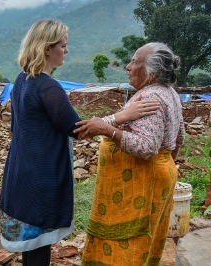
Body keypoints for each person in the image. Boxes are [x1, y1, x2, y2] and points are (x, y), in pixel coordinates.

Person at [0, 19, 160, 266]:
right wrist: (121, 117)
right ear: (46, 49)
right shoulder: (48, 87)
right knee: (40, 243)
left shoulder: (21, 81)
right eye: (63, 45)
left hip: (20, 169)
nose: (67, 50)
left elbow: (17, 126)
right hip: (41, 175)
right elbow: (79, 130)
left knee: (32, 244)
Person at [74, 42, 185, 266]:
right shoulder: (168, 93)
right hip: (157, 176)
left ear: (150, 72)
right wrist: (166, 164)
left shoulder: (150, 97)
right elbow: (179, 136)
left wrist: (108, 130)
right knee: (147, 241)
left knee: (130, 244)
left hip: (142, 186)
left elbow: (146, 147)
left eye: (134, 62)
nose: (128, 66)